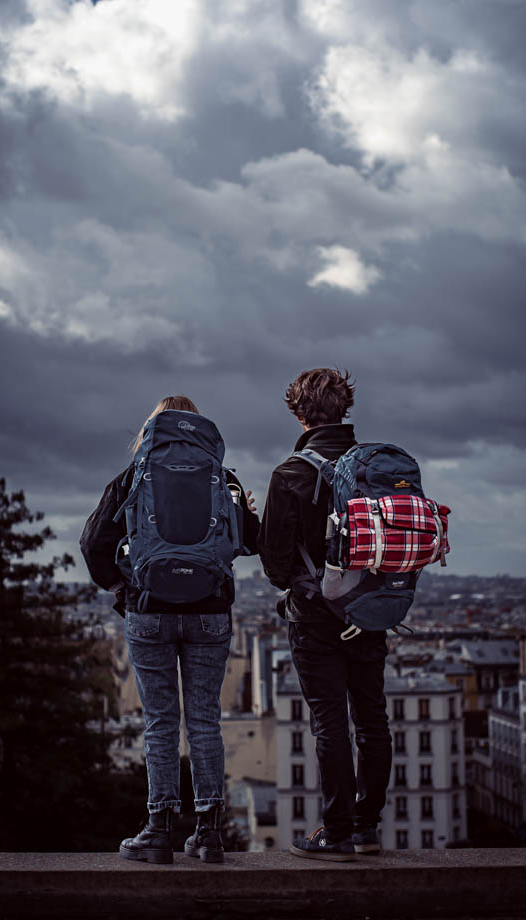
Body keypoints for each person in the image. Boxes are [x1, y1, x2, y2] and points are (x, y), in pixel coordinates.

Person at [80, 395, 259, 864]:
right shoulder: (225, 477)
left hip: (149, 610)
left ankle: (158, 829)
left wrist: (124, 590)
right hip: (209, 612)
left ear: (151, 428)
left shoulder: (133, 476)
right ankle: (208, 832)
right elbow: (255, 541)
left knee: (160, 722)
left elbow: (93, 543)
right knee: (204, 720)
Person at [257, 368, 392, 861]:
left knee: (329, 722)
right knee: (372, 719)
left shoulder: (290, 474)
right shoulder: (373, 467)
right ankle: (367, 828)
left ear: (298, 414)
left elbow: (274, 564)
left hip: (315, 617)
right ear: (344, 409)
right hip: (371, 610)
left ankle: (334, 833)